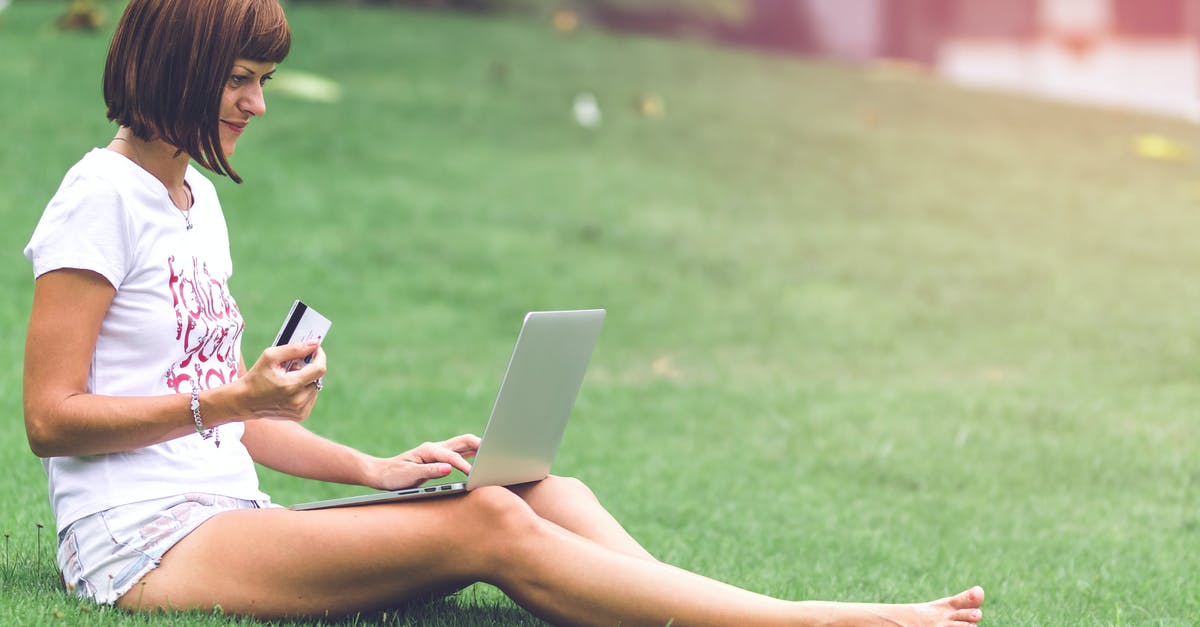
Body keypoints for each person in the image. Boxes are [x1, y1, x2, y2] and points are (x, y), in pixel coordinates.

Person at [21, 0, 986, 624]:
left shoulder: (196, 202)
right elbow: (49, 419)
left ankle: (713, 614)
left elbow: (230, 425)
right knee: (489, 524)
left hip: (228, 510)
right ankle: (813, 620)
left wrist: (370, 467)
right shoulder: (97, 197)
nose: (258, 105)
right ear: (181, 68)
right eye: (241, 79)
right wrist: (234, 400)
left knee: (543, 494)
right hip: (141, 547)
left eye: (263, 81)